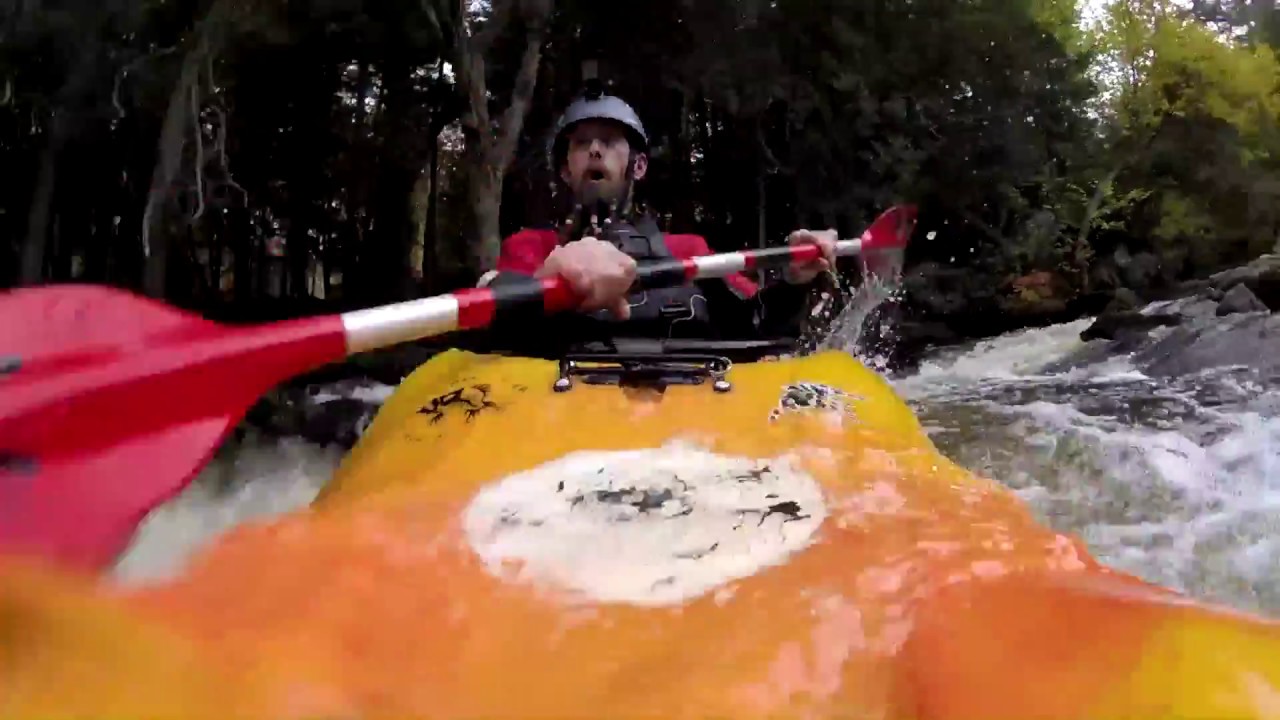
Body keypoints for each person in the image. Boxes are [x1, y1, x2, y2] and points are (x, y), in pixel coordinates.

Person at [478, 85, 838, 358]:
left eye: (609, 140)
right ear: (565, 170)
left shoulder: (689, 250)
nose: (594, 150)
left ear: (639, 165)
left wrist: (794, 282)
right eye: (581, 143)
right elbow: (490, 324)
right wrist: (544, 283)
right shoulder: (529, 248)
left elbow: (755, 325)